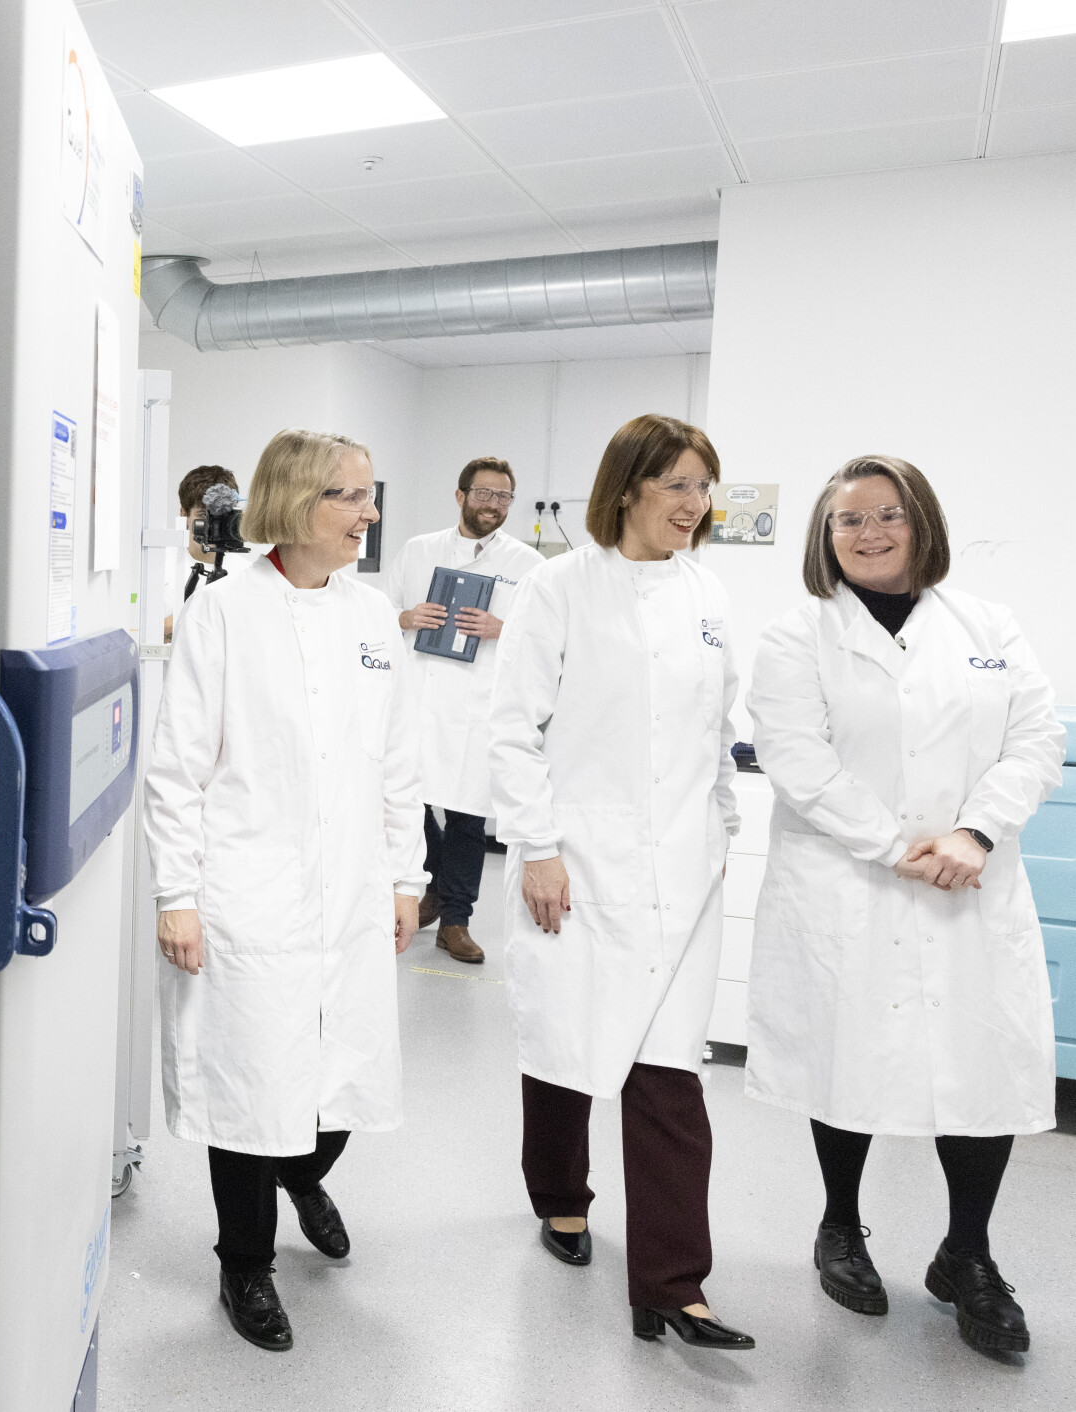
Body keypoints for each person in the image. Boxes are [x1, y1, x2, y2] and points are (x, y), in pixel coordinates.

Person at [745, 455, 1063, 1354]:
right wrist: (894, 846)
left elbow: (1036, 737)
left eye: (887, 515)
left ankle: (966, 1254)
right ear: (825, 536)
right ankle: (840, 1226)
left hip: (970, 881)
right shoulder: (794, 636)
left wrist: (977, 833)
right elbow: (797, 759)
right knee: (847, 1055)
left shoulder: (988, 624)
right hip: (851, 880)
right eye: (848, 521)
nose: (869, 533)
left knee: (981, 1066)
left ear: (921, 522)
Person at [145, 428, 425, 1354]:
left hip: (348, 887)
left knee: (345, 1065)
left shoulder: (372, 615)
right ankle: (246, 1265)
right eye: (352, 496)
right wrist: (175, 894)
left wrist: (405, 876)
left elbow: (396, 761)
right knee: (250, 1075)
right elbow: (179, 767)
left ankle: (305, 1172)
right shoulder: (223, 613)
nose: (369, 513)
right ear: (300, 502)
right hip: (245, 886)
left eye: (368, 495)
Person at [487, 413, 755, 1350]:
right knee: (567, 1045)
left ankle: (673, 1286)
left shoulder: (710, 594)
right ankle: (561, 1198)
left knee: (669, 1073)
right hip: (580, 858)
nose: (695, 504)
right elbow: (513, 726)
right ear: (629, 486)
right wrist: (539, 848)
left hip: (683, 869)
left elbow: (719, 731)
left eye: (703, 486)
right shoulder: (560, 587)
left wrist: (720, 829)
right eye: (677, 484)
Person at [385, 456, 543, 962]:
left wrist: (502, 628)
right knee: (409, 804)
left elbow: (545, 638)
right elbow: (377, 616)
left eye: (503, 497)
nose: (493, 505)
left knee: (468, 815)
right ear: (460, 496)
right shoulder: (418, 551)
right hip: (419, 698)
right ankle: (429, 887)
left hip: (479, 708)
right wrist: (408, 616)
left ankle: (456, 919)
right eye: (483, 494)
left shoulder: (528, 565)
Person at [165, 464, 239, 643]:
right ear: (184, 515)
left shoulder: (247, 573)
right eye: (204, 516)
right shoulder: (157, 564)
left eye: (221, 515)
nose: (213, 525)